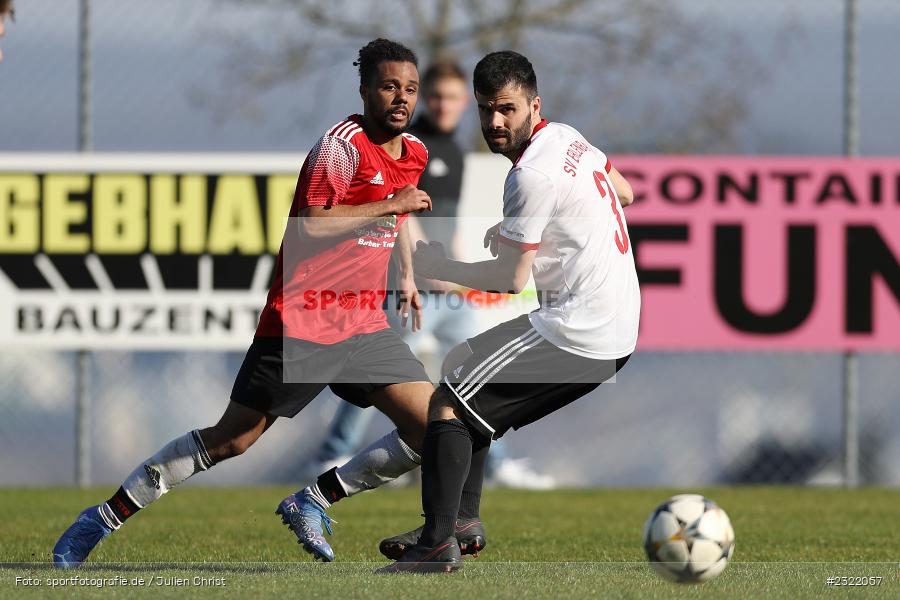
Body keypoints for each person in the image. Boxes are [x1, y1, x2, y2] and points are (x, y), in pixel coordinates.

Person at [53, 38, 440, 568]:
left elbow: (396, 220)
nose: (401, 98)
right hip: (305, 320)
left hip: (363, 322)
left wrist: (407, 273)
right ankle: (101, 518)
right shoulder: (341, 147)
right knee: (231, 441)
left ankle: (314, 499)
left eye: (410, 89)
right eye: (390, 86)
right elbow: (308, 228)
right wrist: (390, 204)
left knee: (435, 426)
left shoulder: (414, 152)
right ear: (365, 89)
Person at [376, 50, 640, 573]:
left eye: (507, 109)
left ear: (533, 105)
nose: (495, 122)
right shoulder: (567, 138)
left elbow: (510, 280)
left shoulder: (530, 175)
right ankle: (460, 522)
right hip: (613, 322)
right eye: (485, 109)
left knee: (448, 402)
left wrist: (441, 267)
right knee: (465, 367)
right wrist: (542, 232)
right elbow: (624, 192)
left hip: (579, 331)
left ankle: (435, 543)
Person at [310, 59, 556, 490]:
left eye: (453, 98)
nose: (444, 105)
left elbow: (447, 214)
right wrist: (423, 268)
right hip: (410, 284)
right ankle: (335, 451)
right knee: (379, 374)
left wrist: (458, 260)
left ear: (465, 102)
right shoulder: (409, 141)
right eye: (437, 96)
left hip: (447, 287)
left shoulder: (456, 150)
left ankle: (496, 462)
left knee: (471, 370)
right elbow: (399, 205)